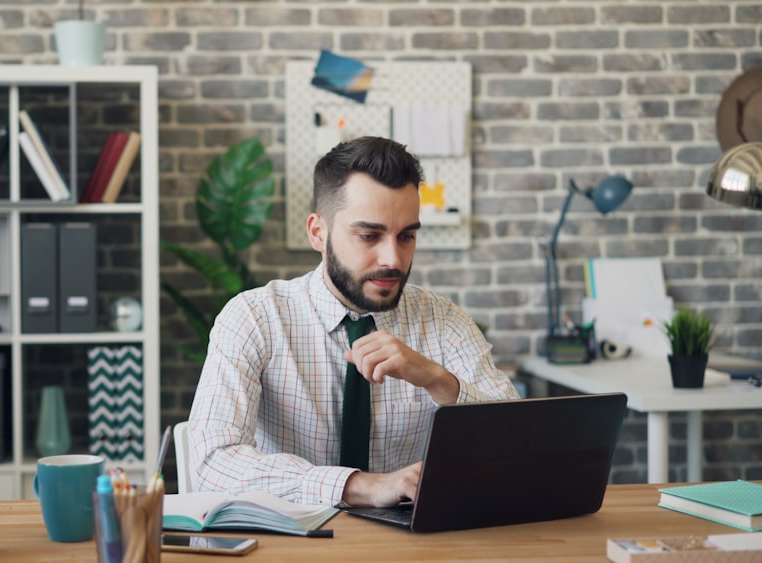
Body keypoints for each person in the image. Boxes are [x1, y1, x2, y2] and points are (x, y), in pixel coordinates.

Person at [187, 136, 519, 508]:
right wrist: (360, 486)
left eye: (406, 235)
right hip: (290, 544)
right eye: (369, 235)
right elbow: (212, 464)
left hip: (411, 548)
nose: (392, 258)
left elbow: (516, 444)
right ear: (318, 232)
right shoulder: (256, 318)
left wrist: (438, 380)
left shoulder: (444, 321)